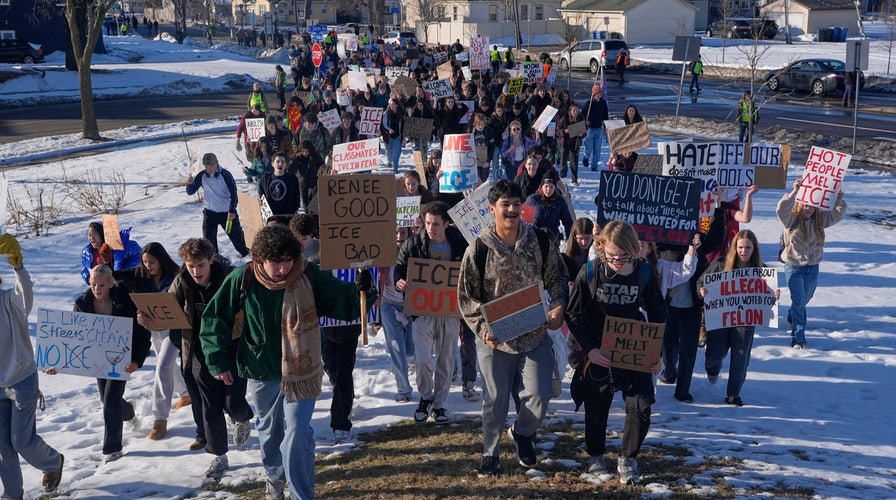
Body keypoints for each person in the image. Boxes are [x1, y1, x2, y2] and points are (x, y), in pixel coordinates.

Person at [199, 226, 376, 500]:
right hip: (262, 369)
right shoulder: (242, 277)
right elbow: (215, 318)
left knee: (297, 431)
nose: (282, 268)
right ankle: (273, 477)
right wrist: (217, 359)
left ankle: (301, 493)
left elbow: (345, 302)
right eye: (275, 262)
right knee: (270, 432)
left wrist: (363, 290)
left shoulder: (308, 275)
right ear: (260, 259)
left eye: (287, 260)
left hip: (302, 370)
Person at [458, 180, 569, 476]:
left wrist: (558, 304)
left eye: (516, 204)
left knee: (539, 394)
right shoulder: (479, 248)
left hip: (534, 335)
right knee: (494, 400)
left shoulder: (540, 240)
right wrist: (483, 330)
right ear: (492, 209)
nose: (511, 210)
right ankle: (490, 452)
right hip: (496, 339)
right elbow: (467, 297)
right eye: (505, 205)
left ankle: (522, 432)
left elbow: (558, 278)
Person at [565, 220, 667, 485]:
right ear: (601, 247)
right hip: (600, 348)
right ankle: (596, 455)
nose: (618, 260)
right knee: (597, 406)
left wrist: (657, 353)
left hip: (635, 346)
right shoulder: (590, 271)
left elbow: (658, 312)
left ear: (634, 250)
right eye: (612, 255)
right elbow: (573, 314)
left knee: (642, 404)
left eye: (624, 255)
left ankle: (628, 457)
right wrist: (590, 349)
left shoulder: (643, 272)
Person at [146, 238, 254, 480]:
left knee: (232, 402)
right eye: (190, 265)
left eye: (200, 265)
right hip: (197, 350)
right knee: (209, 407)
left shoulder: (229, 278)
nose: (195, 271)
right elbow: (166, 308)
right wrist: (149, 319)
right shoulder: (181, 281)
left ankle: (242, 417)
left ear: (211, 260)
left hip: (231, 349)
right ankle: (219, 456)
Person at [0, 234, 65, 498]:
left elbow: (25, 291)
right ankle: (13, 496)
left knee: (22, 441)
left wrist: (18, 266)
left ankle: (53, 462)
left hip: (21, 380)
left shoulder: (9, 302)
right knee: (3, 449)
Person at [395, 202, 468, 424]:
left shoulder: (459, 244)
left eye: (435, 224)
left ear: (446, 224)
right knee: (423, 359)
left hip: (449, 311)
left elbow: (471, 270)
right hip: (422, 312)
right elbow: (399, 267)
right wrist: (400, 280)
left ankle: (440, 404)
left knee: (445, 359)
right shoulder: (413, 244)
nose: (431, 228)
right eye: (427, 223)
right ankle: (425, 397)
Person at [73, 264, 152, 463]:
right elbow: (72, 337)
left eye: (101, 285)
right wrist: (56, 364)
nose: (96, 289)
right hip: (98, 359)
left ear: (110, 283)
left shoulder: (126, 301)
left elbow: (142, 334)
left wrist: (137, 360)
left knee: (109, 401)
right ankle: (129, 412)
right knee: (107, 400)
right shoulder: (82, 304)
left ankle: (112, 448)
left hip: (121, 360)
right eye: (92, 285)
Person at [116, 242, 189, 441]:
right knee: (166, 364)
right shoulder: (140, 275)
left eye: (153, 262)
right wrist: (109, 259)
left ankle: (160, 419)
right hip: (153, 328)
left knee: (162, 367)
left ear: (162, 259)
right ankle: (186, 393)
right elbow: (116, 277)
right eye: (145, 261)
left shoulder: (176, 275)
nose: (149, 266)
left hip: (174, 328)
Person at [698, 230, 779, 406]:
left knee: (740, 357)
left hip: (745, 320)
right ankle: (712, 371)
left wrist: (773, 294)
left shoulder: (761, 269)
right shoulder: (721, 264)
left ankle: (733, 395)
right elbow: (701, 282)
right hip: (721, 319)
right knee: (714, 355)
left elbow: (767, 296)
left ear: (754, 248)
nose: (744, 251)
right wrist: (702, 291)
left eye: (748, 247)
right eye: (740, 247)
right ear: (735, 247)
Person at [777, 178, 847, 349]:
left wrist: (838, 199)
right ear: (800, 204)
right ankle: (798, 338)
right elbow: (781, 209)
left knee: (805, 298)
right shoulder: (791, 219)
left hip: (813, 267)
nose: (808, 209)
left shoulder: (820, 220)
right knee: (800, 301)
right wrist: (794, 191)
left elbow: (838, 213)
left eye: (811, 205)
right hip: (794, 267)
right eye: (805, 205)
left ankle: (793, 314)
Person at [185, 153, 250, 259]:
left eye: (211, 166)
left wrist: (232, 210)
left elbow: (234, 194)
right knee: (208, 243)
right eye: (206, 166)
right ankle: (214, 261)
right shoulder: (202, 175)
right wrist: (190, 183)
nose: (209, 168)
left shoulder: (225, 175)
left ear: (216, 163)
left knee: (237, 238)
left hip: (227, 213)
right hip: (210, 213)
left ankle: (247, 255)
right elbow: (190, 191)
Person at [377, 226, 415, 403]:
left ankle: (408, 363)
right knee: (397, 348)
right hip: (389, 305)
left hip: (411, 307)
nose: (399, 236)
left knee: (410, 349)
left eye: (403, 233)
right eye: (395, 233)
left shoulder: (415, 252)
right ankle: (403, 390)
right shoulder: (381, 252)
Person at [524, 177, 573, 244]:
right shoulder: (532, 199)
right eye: (546, 186)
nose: (548, 189)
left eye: (551, 187)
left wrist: (570, 239)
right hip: (535, 238)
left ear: (555, 188)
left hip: (553, 239)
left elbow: (567, 221)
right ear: (541, 186)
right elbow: (523, 220)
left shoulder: (560, 201)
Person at [258, 152, 301, 216]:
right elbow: (261, 193)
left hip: (287, 216)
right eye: (278, 161)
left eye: (283, 162)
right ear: (272, 164)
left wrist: (290, 213)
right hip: (271, 216)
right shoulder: (266, 178)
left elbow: (296, 199)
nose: (280, 164)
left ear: (286, 164)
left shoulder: (292, 179)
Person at [556, 104, 585, 185]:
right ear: (570, 111)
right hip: (565, 143)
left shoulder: (581, 118)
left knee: (574, 162)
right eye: (574, 110)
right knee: (563, 161)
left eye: (577, 110)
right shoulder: (565, 118)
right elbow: (557, 129)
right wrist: (564, 131)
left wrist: (581, 134)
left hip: (575, 144)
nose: (575, 112)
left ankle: (574, 179)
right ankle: (563, 174)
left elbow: (584, 131)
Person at [582, 85, 609, 172]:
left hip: (599, 128)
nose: (600, 94)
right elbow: (582, 115)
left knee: (597, 149)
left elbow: (605, 116)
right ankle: (586, 157)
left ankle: (594, 166)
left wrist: (606, 127)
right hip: (590, 128)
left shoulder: (603, 103)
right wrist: (585, 121)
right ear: (594, 94)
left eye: (601, 92)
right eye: (599, 92)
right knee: (589, 148)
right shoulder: (588, 103)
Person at [381, 98, 405, 173]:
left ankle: (395, 169)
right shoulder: (387, 113)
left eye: (393, 104)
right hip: (388, 136)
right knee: (389, 151)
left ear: (397, 105)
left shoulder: (401, 114)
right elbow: (384, 123)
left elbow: (405, 124)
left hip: (398, 136)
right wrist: (388, 129)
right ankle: (389, 160)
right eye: (390, 104)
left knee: (396, 153)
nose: (391, 106)